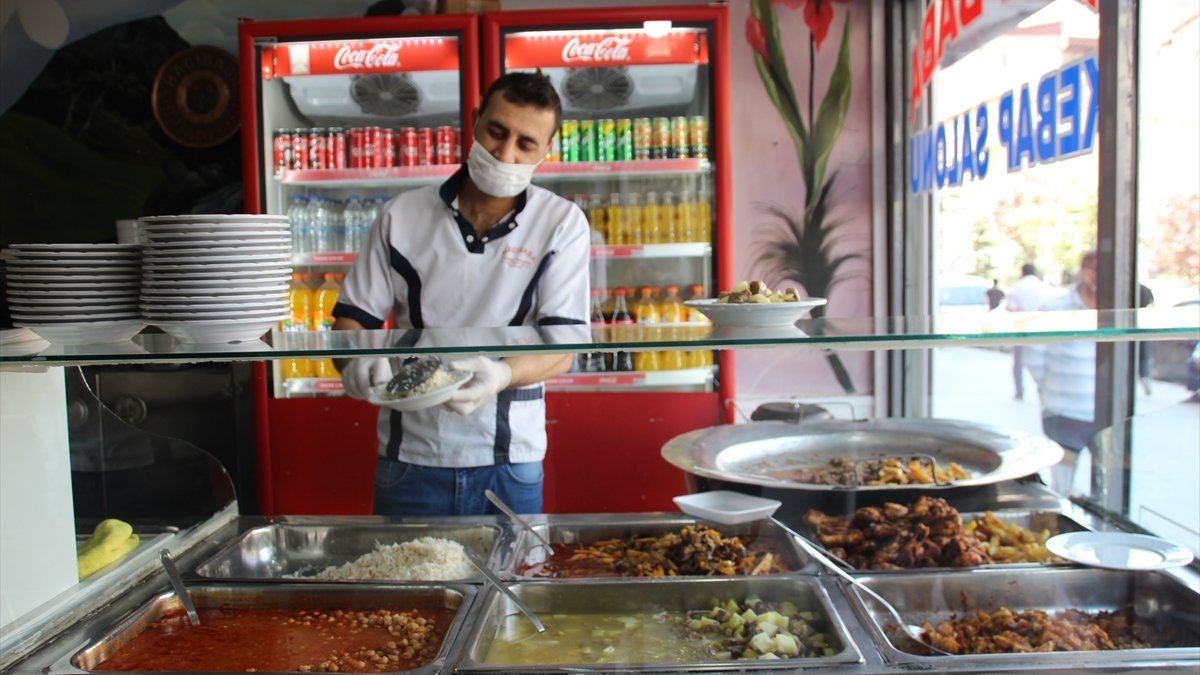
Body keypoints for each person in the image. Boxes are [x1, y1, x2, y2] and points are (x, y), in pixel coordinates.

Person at [330, 72, 590, 516]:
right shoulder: (401, 215)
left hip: (510, 461)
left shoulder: (562, 224)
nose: (505, 153)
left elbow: (563, 349)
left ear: (547, 151)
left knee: (512, 586)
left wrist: (500, 376)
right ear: (474, 121)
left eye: (526, 143)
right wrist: (352, 360)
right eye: (496, 131)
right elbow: (352, 321)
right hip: (408, 458)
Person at [1024, 250, 1098, 496]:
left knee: (1105, 488)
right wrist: (1050, 393)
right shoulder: (1056, 308)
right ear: (1086, 273)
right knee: (1063, 486)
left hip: (1106, 415)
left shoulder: (1119, 308)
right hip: (1065, 414)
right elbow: (1034, 356)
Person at [1005, 263, 1051, 399]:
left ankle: (1020, 391)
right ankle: (1042, 391)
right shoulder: (1044, 287)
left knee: (1018, 363)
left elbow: (1012, 309)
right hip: (1041, 329)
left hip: (1022, 329)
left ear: (1022, 272)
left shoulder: (1017, 287)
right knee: (1042, 362)